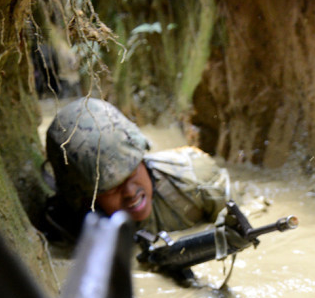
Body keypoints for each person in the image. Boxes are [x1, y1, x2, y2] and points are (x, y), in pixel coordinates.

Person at [41, 96, 255, 284]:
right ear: (87, 198)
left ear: (141, 158)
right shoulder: (68, 225)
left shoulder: (196, 180)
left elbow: (250, 214)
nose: (129, 192)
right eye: (112, 188)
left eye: (132, 172)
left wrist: (228, 238)